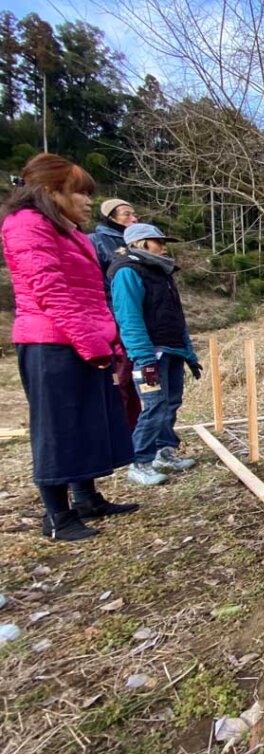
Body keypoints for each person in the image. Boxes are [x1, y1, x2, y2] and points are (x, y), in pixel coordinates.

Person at [0, 154, 138, 540]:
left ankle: (87, 498)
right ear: (51, 191)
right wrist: (93, 343)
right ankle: (57, 516)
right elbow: (52, 293)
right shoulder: (26, 225)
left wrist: (107, 337)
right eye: (80, 193)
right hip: (52, 342)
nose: (88, 201)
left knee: (87, 421)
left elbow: (92, 293)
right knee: (59, 427)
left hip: (84, 338)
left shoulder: (69, 231)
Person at [109, 223, 201, 486]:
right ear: (140, 244)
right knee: (153, 406)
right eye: (157, 241)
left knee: (171, 403)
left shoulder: (162, 273)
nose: (163, 246)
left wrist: (188, 353)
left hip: (172, 349)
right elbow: (129, 317)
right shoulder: (128, 271)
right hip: (151, 352)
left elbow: (177, 318)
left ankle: (164, 451)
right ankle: (140, 462)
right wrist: (143, 356)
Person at [90, 198, 141, 430]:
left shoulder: (139, 242)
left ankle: (138, 430)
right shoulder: (97, 241)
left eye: (134, 214)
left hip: (140, 316)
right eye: (127, 214)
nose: (133, 218)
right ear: (110, 217)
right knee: (121, 373)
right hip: (114, 317)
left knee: (143, 378)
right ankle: (119, 431)